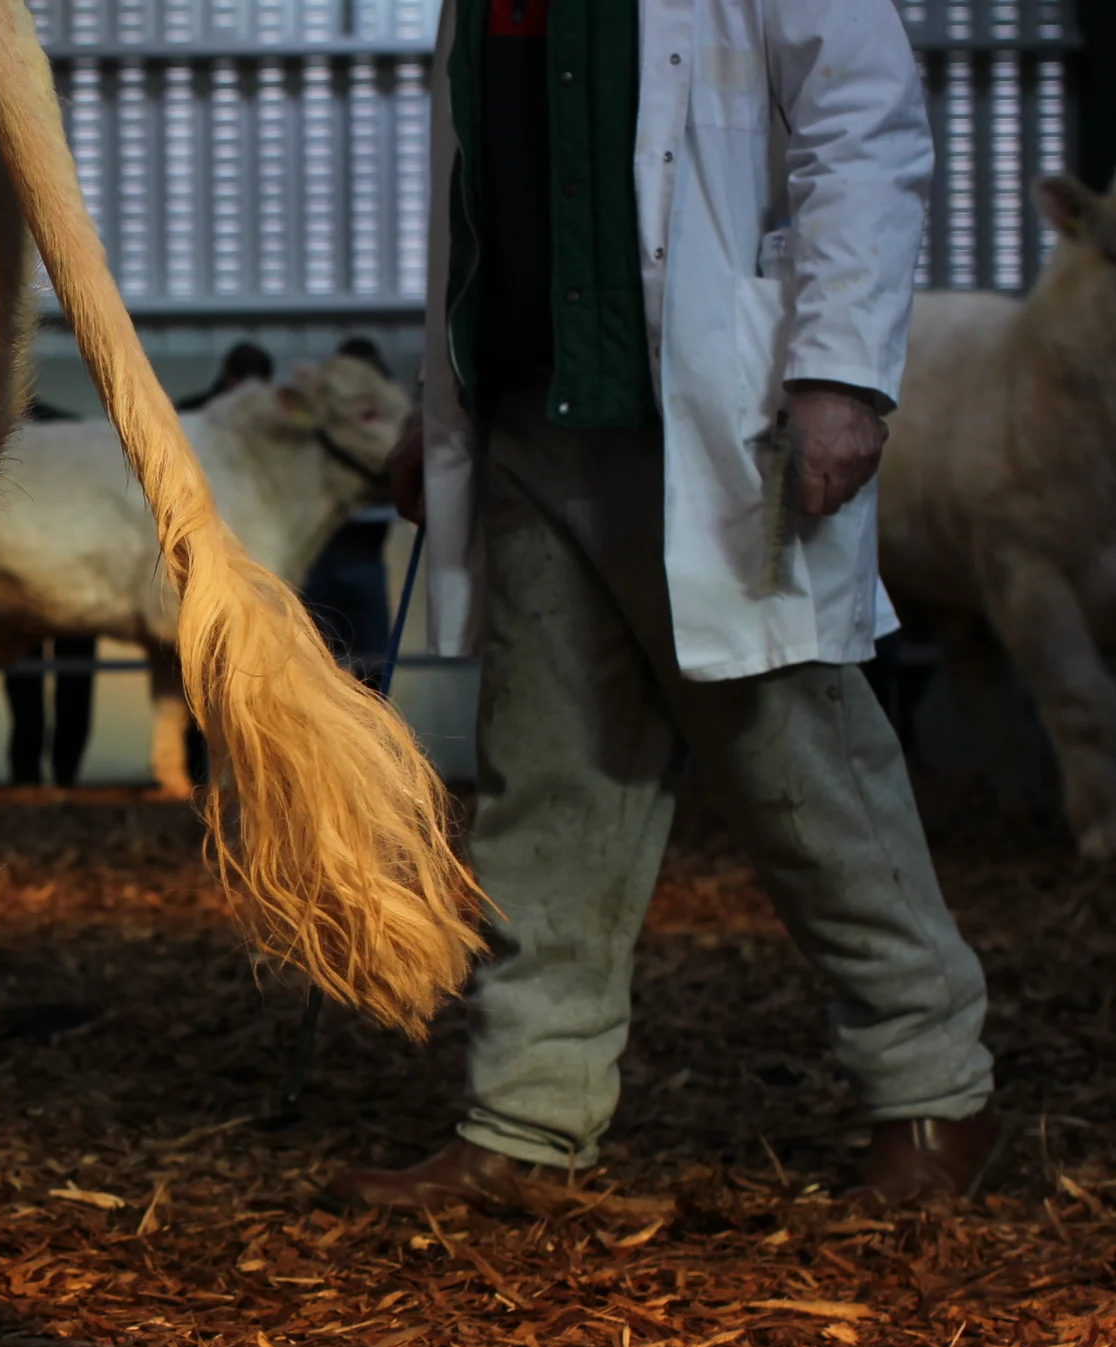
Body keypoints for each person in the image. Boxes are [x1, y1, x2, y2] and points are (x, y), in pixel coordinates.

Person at [331, 0, 999, 1210]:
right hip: (529, 419)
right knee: (546, 785)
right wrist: (442, 396)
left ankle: (934, 1090)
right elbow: (480, 194)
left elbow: (863, 122)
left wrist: (841, 371)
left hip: (710, 417)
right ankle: (527, 1115)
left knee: (802, 771)